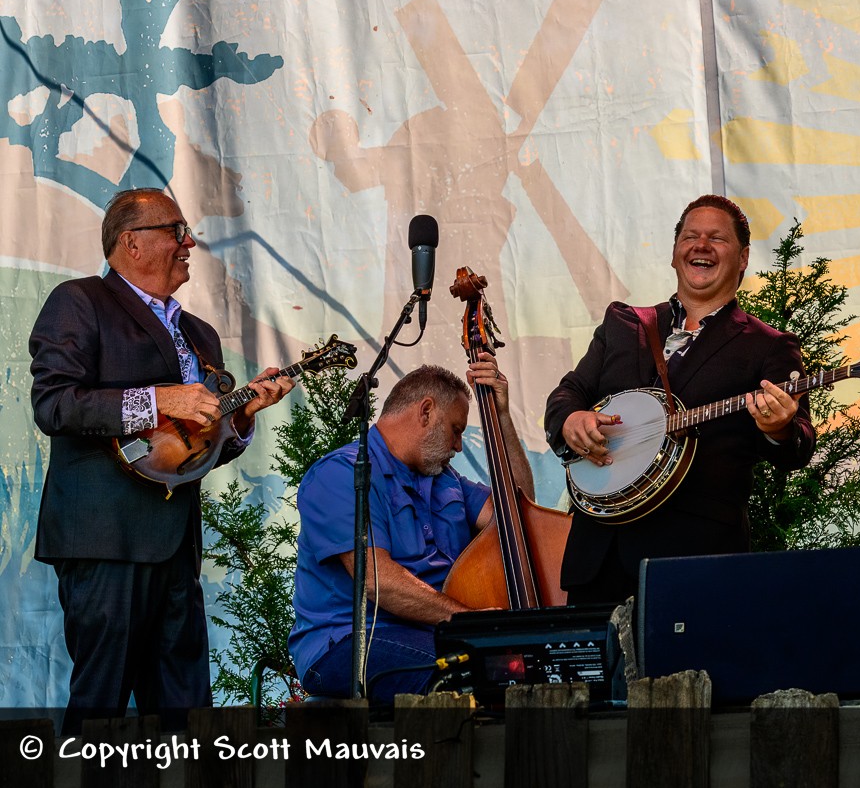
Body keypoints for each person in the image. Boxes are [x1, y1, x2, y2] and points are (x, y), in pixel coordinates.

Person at [29, 188, 295, 733]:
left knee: (186, 715)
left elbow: (192, 453)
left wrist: (241, 418)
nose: (188, 241)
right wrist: (158, 399)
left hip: (176, 547)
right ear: (131, 242)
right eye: (176, 230)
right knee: (98, 714)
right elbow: (53, 404)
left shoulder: (199, 335)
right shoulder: (79, 301)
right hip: (105, 541)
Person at [544, 195, 818, 604]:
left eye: (717, 238)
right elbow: (567, 395)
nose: (701, 245)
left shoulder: (769, 347)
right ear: (675, 253)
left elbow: (799, 444)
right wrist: (571, 420)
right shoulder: (624, 323)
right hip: (599, 558)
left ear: (743, 258)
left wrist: (778, 427)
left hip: (696, 563)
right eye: (690, 236)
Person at [290, 354, 532, 700]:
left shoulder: (447, 479)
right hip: (347, 641)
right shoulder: (341, 473)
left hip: (432, 633)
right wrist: (467, 622)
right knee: (482, 675)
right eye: (456, 429)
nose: (458, 446)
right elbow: (376, 579)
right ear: (426, 411)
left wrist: (502, 418)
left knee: (527, 667)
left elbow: (517, 515)